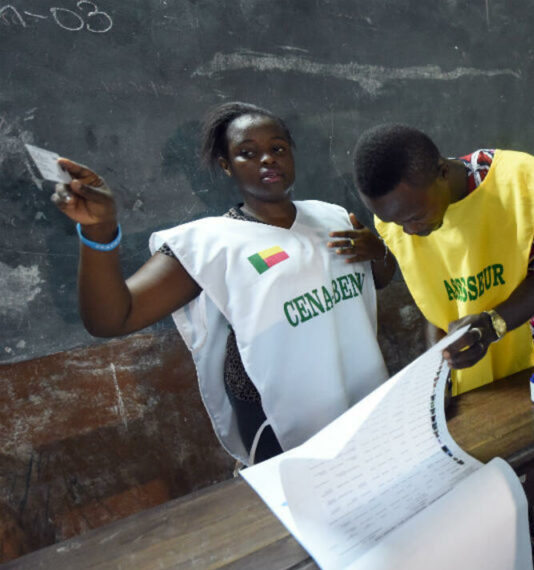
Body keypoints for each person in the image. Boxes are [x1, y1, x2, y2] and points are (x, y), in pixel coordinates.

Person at [51, 102, 394, 466]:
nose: (267, 159)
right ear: (226, 165)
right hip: (276, 418)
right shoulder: (211, 244)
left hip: (360, 392)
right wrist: (98, 230)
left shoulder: (332, 216)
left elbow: (377, 280)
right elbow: (113, 319)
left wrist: (378, 252)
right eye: (248, 153)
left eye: (277, 148)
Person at [352, 125, 534, 556]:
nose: (409, 231)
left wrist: (491, 326)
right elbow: (431, 293)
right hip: (468, 356)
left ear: (439, 173)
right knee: (481, 464)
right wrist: (437, 366)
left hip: (532, 339)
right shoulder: (398, 211)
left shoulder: (515, 183)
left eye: (413, 218)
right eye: (395, 223)